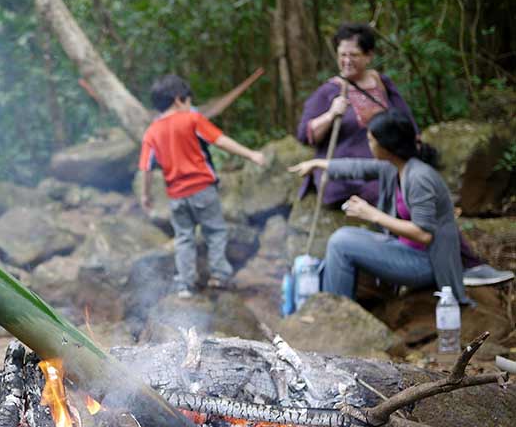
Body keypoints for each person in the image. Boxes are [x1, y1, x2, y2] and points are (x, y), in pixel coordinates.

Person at [297, 22, 513, 287]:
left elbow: (405, 121)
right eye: (342, 54)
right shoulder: (330, 91)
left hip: (389, 165)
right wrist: (330, 116)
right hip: (361, 175)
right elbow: (305, 134)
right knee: (389, 195)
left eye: (353, 55)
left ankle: (462, 264)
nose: (346, 60)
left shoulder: (381, 84)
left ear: (368, 56)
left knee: (415, 203)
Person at [289, 109, 469, 304]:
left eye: (371, 140)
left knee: (341, 243)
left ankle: (337, 310)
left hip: (429, 263)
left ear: (387, 145)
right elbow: (357, 167)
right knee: (342, 237)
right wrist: (318, 164)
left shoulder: (419, 178)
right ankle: (336, 308)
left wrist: (372, 214)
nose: (369, 145)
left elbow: (424, 234)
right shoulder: (395, 167)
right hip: (406, 250)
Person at [139, 74, 267, 298]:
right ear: (180, 100)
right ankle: (218, 275)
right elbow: (220, 141)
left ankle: (186, 284)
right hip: (202, 189)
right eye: (189, 100)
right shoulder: (191, 119)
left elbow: (146, 168)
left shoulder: (151, 132)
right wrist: (251, 154)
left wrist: (145, 195)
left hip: (176, 195)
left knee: (184, 238)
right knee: (215, 231)